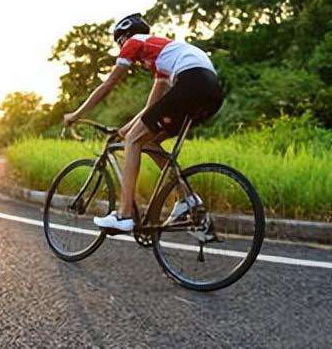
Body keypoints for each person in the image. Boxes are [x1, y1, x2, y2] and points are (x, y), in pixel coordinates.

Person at [63, 13, 224, 231]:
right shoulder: (161, 58)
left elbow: (108, 84)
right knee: (146, 141)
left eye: (119, 41)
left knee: (134, 141)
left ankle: (124, 215)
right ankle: (187, 199)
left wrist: (76, 114)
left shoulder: (134, 41)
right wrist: (125, 129)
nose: (121, 47)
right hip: (211, 91)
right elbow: (151, 109)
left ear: (124, 37)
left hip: (191, 82)